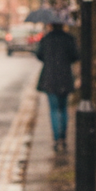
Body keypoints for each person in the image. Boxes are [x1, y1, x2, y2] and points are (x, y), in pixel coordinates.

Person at [35, 22, 79, 154]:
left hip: (50, 79)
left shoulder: (46, 39)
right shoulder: (69, 38)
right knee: (63, 108)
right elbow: (76, 56)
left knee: (54, 110)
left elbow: (38, 55)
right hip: (65, 77)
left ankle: (56, 139)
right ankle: (63, 138)